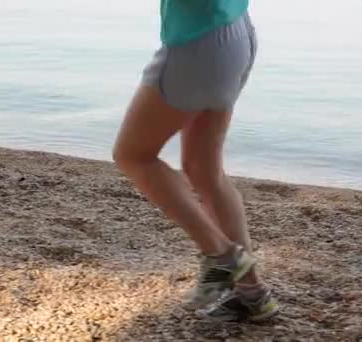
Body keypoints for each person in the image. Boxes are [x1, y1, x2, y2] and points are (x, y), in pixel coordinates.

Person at [112, 0, 279, 321]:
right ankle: (253, 295)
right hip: (235, 32)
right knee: (205, 171)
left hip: (196, 43)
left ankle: (222, 255)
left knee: (133, 156)